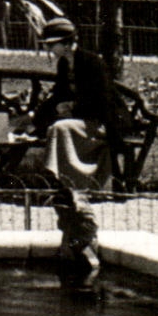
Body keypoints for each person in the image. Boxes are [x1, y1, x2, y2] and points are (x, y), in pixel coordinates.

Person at [29, 17, 124, 286]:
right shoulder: (63, 64)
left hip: (97, 122)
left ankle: (63, 177)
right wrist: (36, 116)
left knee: (60, 129)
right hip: (78, 120)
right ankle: (66, 180)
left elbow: (102, 100)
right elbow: (58, 95)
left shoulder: (91, 62)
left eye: (53, 44)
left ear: (66, 42)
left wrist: (71, 108)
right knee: (58, 126)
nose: (50, 50)